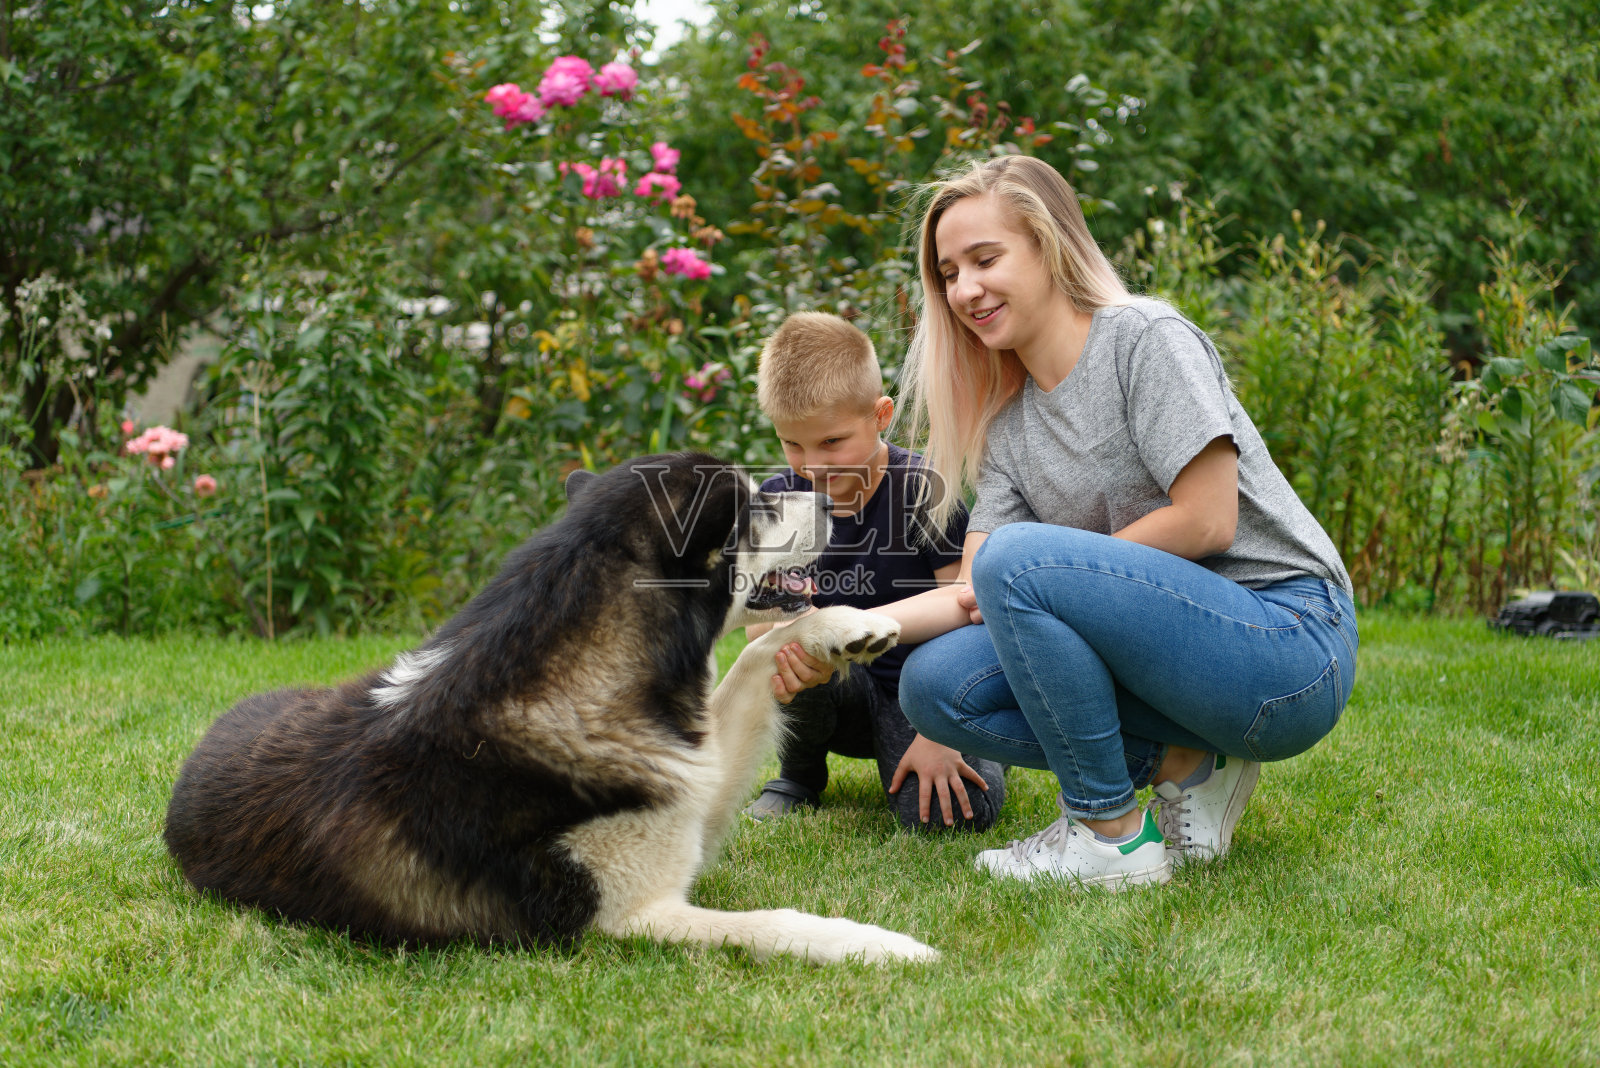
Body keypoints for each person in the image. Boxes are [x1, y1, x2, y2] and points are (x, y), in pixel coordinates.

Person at [853, 155, 1358, 888]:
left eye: (985, 260)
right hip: (1176, 668)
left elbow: (1208, 520)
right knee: (934, 685)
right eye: (948, 274)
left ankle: (1107, 836)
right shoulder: (1009, 425)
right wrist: (839, 629)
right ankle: (1186, 763)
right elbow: (973, 591)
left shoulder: (1145, 338)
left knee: (1019, 563)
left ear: (1050, 245)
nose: (964, 290)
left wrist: (1056, 574)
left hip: (1287, 646)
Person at [743, 311, 1006, 832]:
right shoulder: (777, 501)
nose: (812, 465)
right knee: (789, 646)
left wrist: (938, 729)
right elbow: (756, 626)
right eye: (792, 444)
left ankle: (980, 740)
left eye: (832, 442)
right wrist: (795, 627)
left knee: (951, 819)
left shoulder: (923, 489)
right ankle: (798, 775)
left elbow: (964, 607)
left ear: (880, 414)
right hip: (837, 690)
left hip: (923, 690)